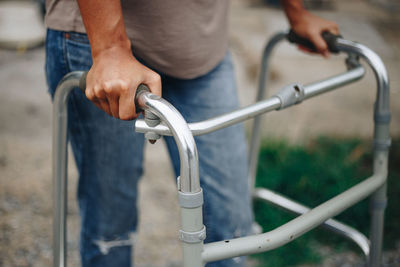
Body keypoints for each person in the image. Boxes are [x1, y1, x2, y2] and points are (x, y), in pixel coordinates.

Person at [45, 0, 339, 266]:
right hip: (98, 36)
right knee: (110, 223)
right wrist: (109, 48)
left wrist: (295, 11)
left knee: (232, 232)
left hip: (199, 43)